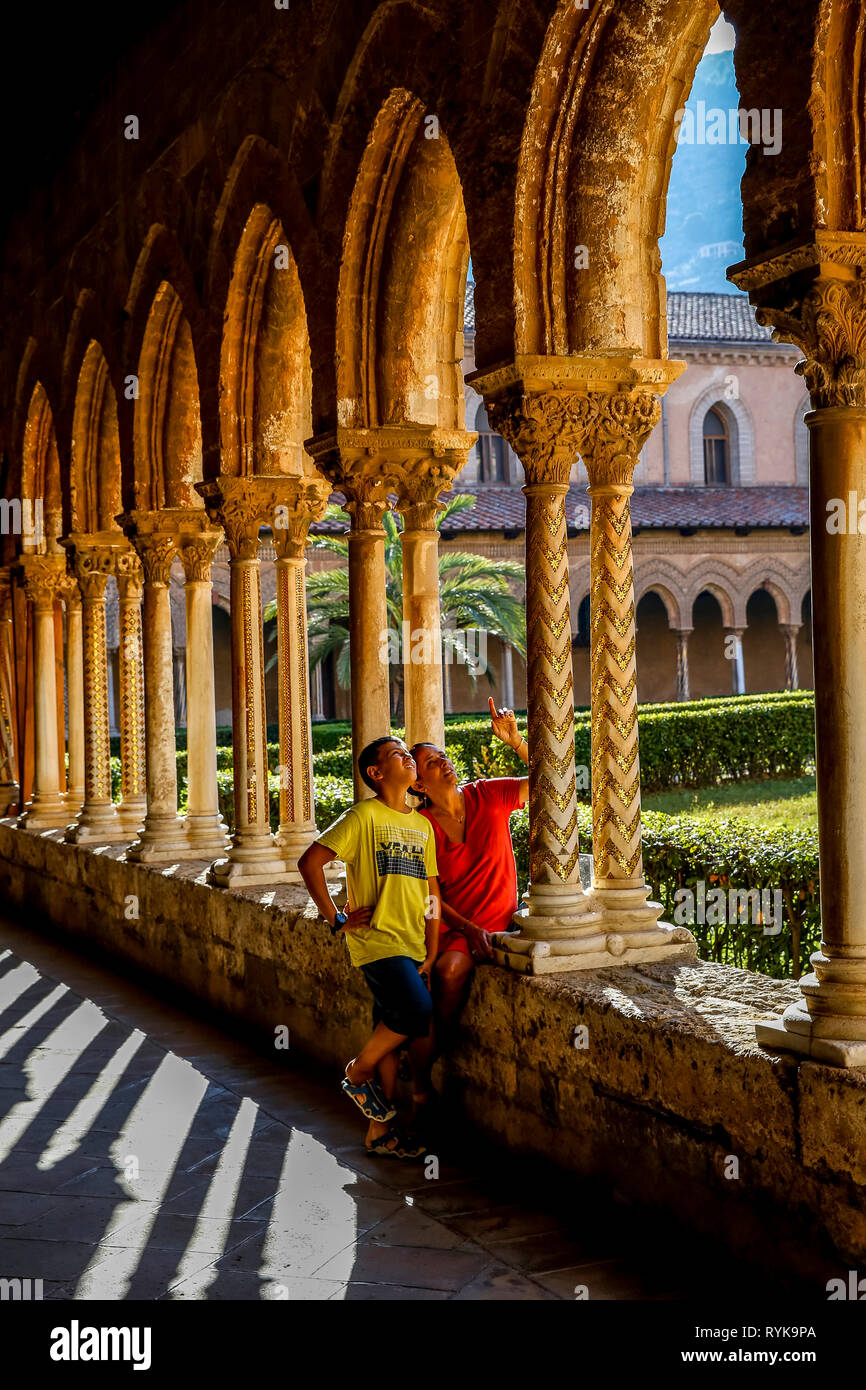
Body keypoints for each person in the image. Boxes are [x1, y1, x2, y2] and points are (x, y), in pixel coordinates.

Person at [298, 736, 440, 1160]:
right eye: (397, 754)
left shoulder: (422, 825)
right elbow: (310, 862)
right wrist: (335, 919)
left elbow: (432, 892)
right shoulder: (362, 816)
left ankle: (380, 1132)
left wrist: (431, 952)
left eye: (408, 754)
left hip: (414, 943)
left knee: (392, 1035)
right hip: (378, 941)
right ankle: (357, 1072)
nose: (408, 758)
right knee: (417, 1013)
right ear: (377, 774)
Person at [406, 697, 528, 1110]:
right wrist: (466, 928)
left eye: (443, 755)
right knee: (446, 971)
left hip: (498, 916)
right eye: (431, 762)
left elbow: (556, 781)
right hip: (454, 923)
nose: (444, 762)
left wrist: (517, 741)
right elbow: (428, 895)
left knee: (443, 984)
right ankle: (421, 1084)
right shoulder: (420, 826)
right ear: (418, 784)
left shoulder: (488, 796)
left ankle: (422, 1064)